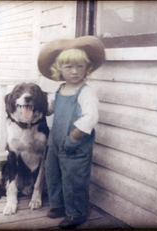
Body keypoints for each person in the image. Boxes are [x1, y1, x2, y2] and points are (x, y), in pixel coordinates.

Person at [37, 36, 105, 229]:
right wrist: (40, 106)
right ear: (59, 70)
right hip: (55, 141)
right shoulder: (60, 89)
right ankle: (59, 205)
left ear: (87, 68)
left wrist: (73, 138)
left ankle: (76, 213)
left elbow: (90, 118)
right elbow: (51, 109)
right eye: (68, 67)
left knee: (73, 178)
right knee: (53, 173)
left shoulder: (85, 92)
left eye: (79, 66)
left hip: (75, 145)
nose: (74, 71)